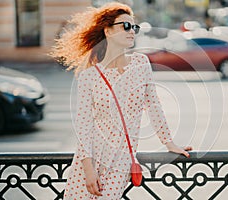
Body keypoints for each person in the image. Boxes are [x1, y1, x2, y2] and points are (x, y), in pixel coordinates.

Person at [50, 2, 192, 200]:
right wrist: (88, 170)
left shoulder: (141, 63)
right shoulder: (88, 76)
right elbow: (84, 126)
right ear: (107, 31)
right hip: (91, 159)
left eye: (134, 27)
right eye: (125, 26)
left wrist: (169, 143)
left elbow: (153, 104)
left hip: (122, 160)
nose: (132, 31)